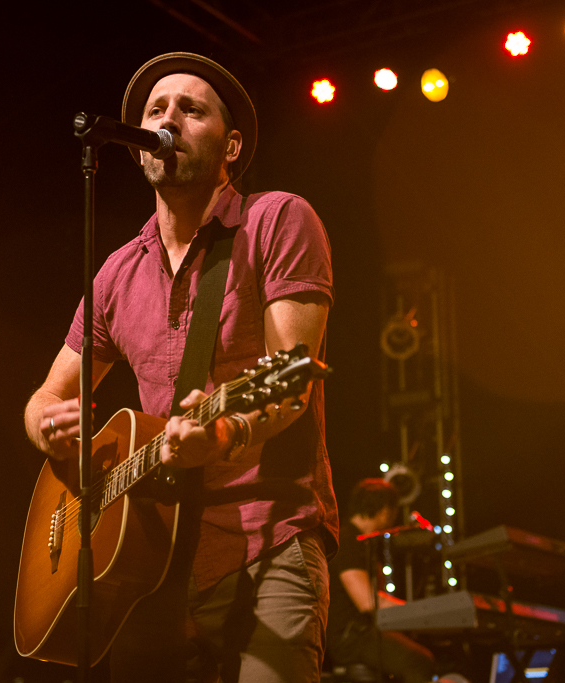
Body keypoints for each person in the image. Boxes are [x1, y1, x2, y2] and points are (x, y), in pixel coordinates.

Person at [23, 52, 337, 683]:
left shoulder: (275, 221)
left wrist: (226, 432)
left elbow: (291, 381)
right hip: (148, 566)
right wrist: (47, 427)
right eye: (155, 110)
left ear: (231, 145)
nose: (168, 120)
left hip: (265, 542)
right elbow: (43, 398)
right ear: (138, 144)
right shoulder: (117, 272)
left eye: (191, 110)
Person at [327, 479, 436, 683]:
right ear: (386, 510)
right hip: (351, 638)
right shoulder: (350, 542)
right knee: (419, 660)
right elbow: (368, 602)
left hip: (360, 633)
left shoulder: (359, 542)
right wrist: (421, 612)